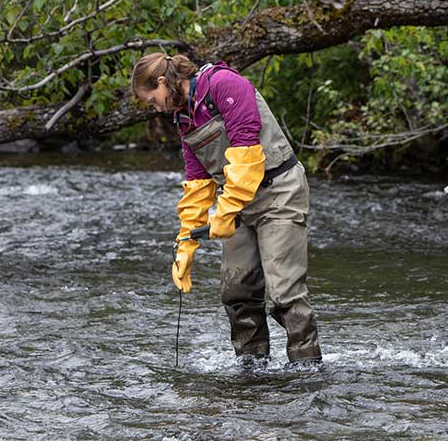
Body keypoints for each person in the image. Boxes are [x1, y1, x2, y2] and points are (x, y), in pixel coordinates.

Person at [131, 53, 322, 367]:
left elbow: (248, 155)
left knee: (284, 290)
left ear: (163, 82)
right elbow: (198, 182)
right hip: (237, 204)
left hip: (279, 192)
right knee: (236, 291)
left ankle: (306, 366)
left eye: (153, 100)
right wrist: (186, 243)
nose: (156, 108)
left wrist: (225, 212)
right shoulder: (184, 116)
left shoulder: (224, 85)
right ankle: (253, 367)